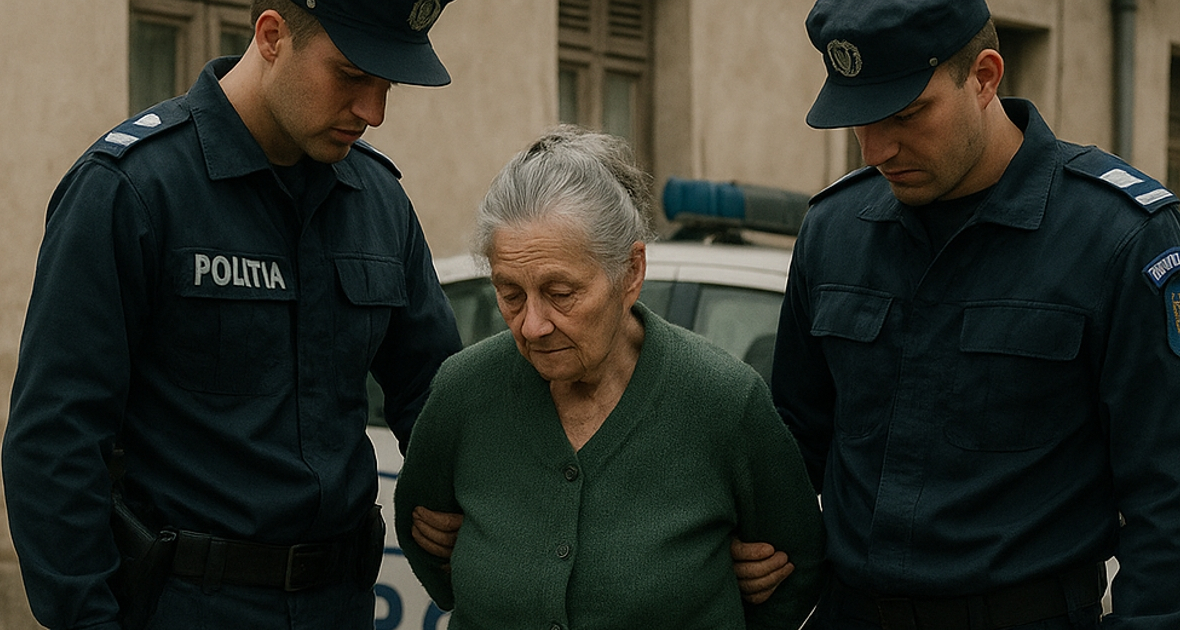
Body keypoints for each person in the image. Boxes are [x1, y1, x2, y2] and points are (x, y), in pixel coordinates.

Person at [736, 0, 1180, 628]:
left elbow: (1175, 498)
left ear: (984, 77)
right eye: (859, 120)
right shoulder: (834, 230)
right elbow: (792, 446)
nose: (875, 148)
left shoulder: (1119, 237)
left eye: (905, 114)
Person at [1, 0, 462, 628]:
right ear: (272, 36)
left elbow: (436, 399)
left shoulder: (378, 201)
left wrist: (453, 499)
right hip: (189, 605)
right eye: (353, 76)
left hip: (344, 605)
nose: (373, 112)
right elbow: (55, 443)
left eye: (387, 87)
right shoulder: (133, 188)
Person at [393, 126, 827, 630]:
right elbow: (424, 538)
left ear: (631, 271)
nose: (532, 325)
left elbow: (798, 567)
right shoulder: (465, 392)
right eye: (510, 293)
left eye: (561, 292)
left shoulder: (723, 401)